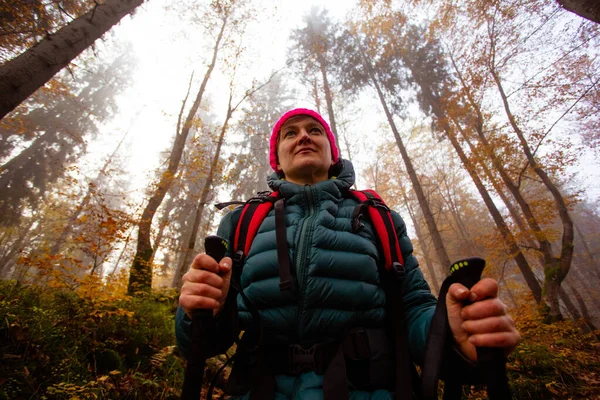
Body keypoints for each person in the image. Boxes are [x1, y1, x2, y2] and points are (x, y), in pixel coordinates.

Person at [175, 108, 521, 399]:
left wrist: (450, 332)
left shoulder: (378, 216)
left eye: (315, 130)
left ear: (333, 152)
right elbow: (206, 339)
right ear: (277, 161)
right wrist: (196, 312)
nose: (304, 137)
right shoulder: (241, 222)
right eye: (290, 134)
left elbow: (414, 306)